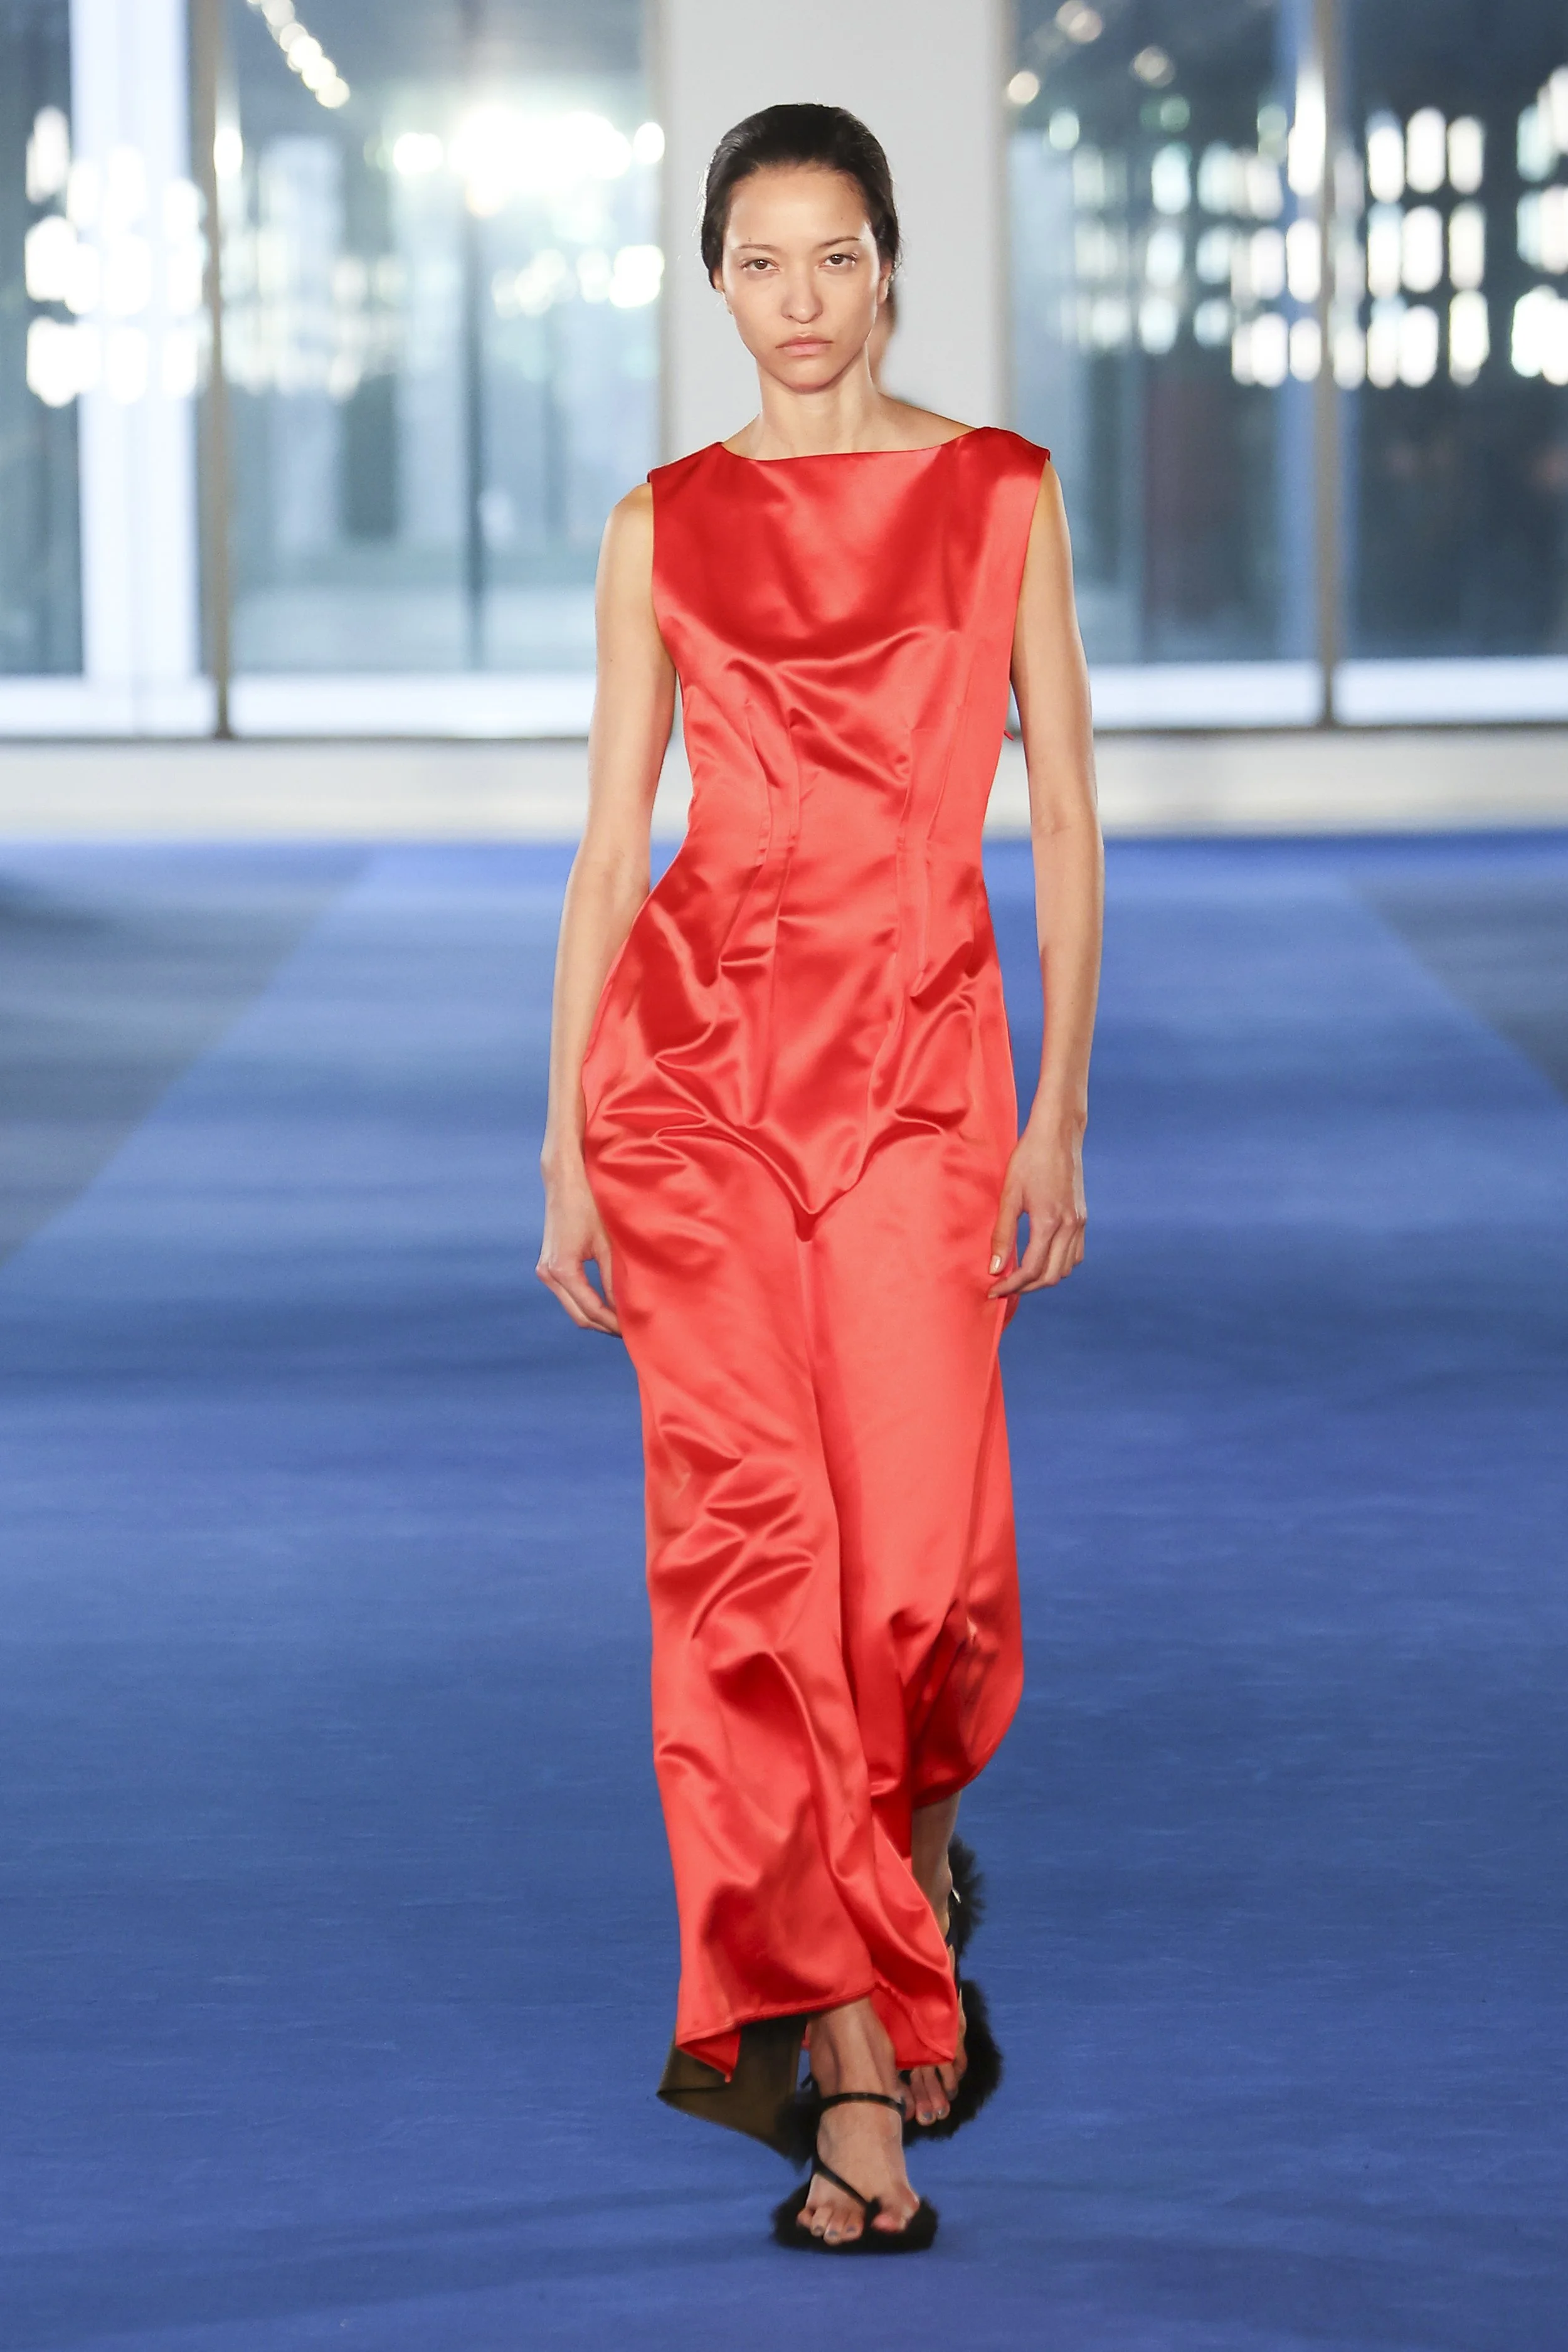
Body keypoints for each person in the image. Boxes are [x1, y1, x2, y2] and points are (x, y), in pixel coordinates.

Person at [538, 102, 1101, 2254]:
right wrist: (564, 1136)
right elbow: (612, 846)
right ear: (714, 280)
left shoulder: (998, 496)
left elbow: (1065, 809)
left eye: (835, 257)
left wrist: (1056, 1109)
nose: (798, 300)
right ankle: (848, 2054)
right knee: (756, 1565)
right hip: (691, 1087)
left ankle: (913, 1861)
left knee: (921, 1587)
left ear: (887, 267)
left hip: (925, 1077)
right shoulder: (661, 525)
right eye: (759, 262)